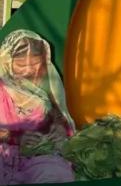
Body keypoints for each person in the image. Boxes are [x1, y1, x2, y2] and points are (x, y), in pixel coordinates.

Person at [0, 30, 76, 184]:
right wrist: (14, 137)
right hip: (4, 156)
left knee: (56, 174)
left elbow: (60, 120)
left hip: (36, 158)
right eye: (21, 65)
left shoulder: (47, 88)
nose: (29, 70)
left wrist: (59, 131)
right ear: (7, 62)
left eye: (35, 64)